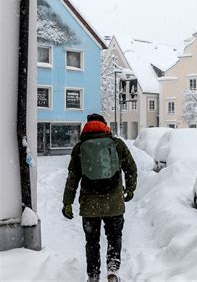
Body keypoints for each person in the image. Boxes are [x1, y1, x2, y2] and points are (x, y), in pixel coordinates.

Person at [62, 114, 137, 282]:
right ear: (104, 126)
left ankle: (93, 275)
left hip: (90, 205)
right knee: (114, 237)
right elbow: (131, 167)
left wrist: (67, 202)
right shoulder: (117, 144)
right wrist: (130, 189)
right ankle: (113, 270)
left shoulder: (80, 148)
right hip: (114, 203)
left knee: (92, 242)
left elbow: (72, 178)